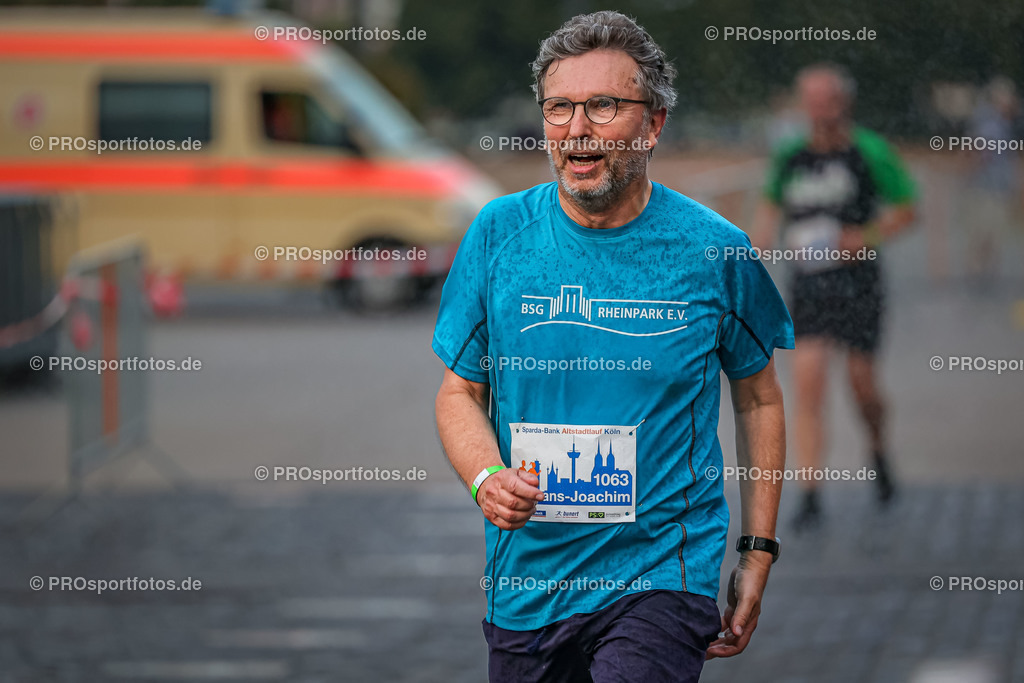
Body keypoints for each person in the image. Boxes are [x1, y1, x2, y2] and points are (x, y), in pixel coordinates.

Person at [433, 11, 794, 682]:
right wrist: (486, 478)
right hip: (528, 585)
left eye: (602, 106)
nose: (577, 128)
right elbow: (459, 391)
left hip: (661, 575)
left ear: (653, 123)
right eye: (559, 107)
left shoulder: (715, 250)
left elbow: (759, 398)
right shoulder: (498, 234)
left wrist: (758, 548)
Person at [750, 64, 917, 531]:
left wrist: (863, 237)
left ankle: (878, 449)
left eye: (827, 100)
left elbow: (907, 209)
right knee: (808, 383)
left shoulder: (869, 151)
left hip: (860, 284)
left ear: (844, 102)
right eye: (811, 100)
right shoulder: (790, 155)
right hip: (810, 286)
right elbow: (768, 208)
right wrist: (753, 254)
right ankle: (810, 494)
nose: (819, 109)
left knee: (862, 385)